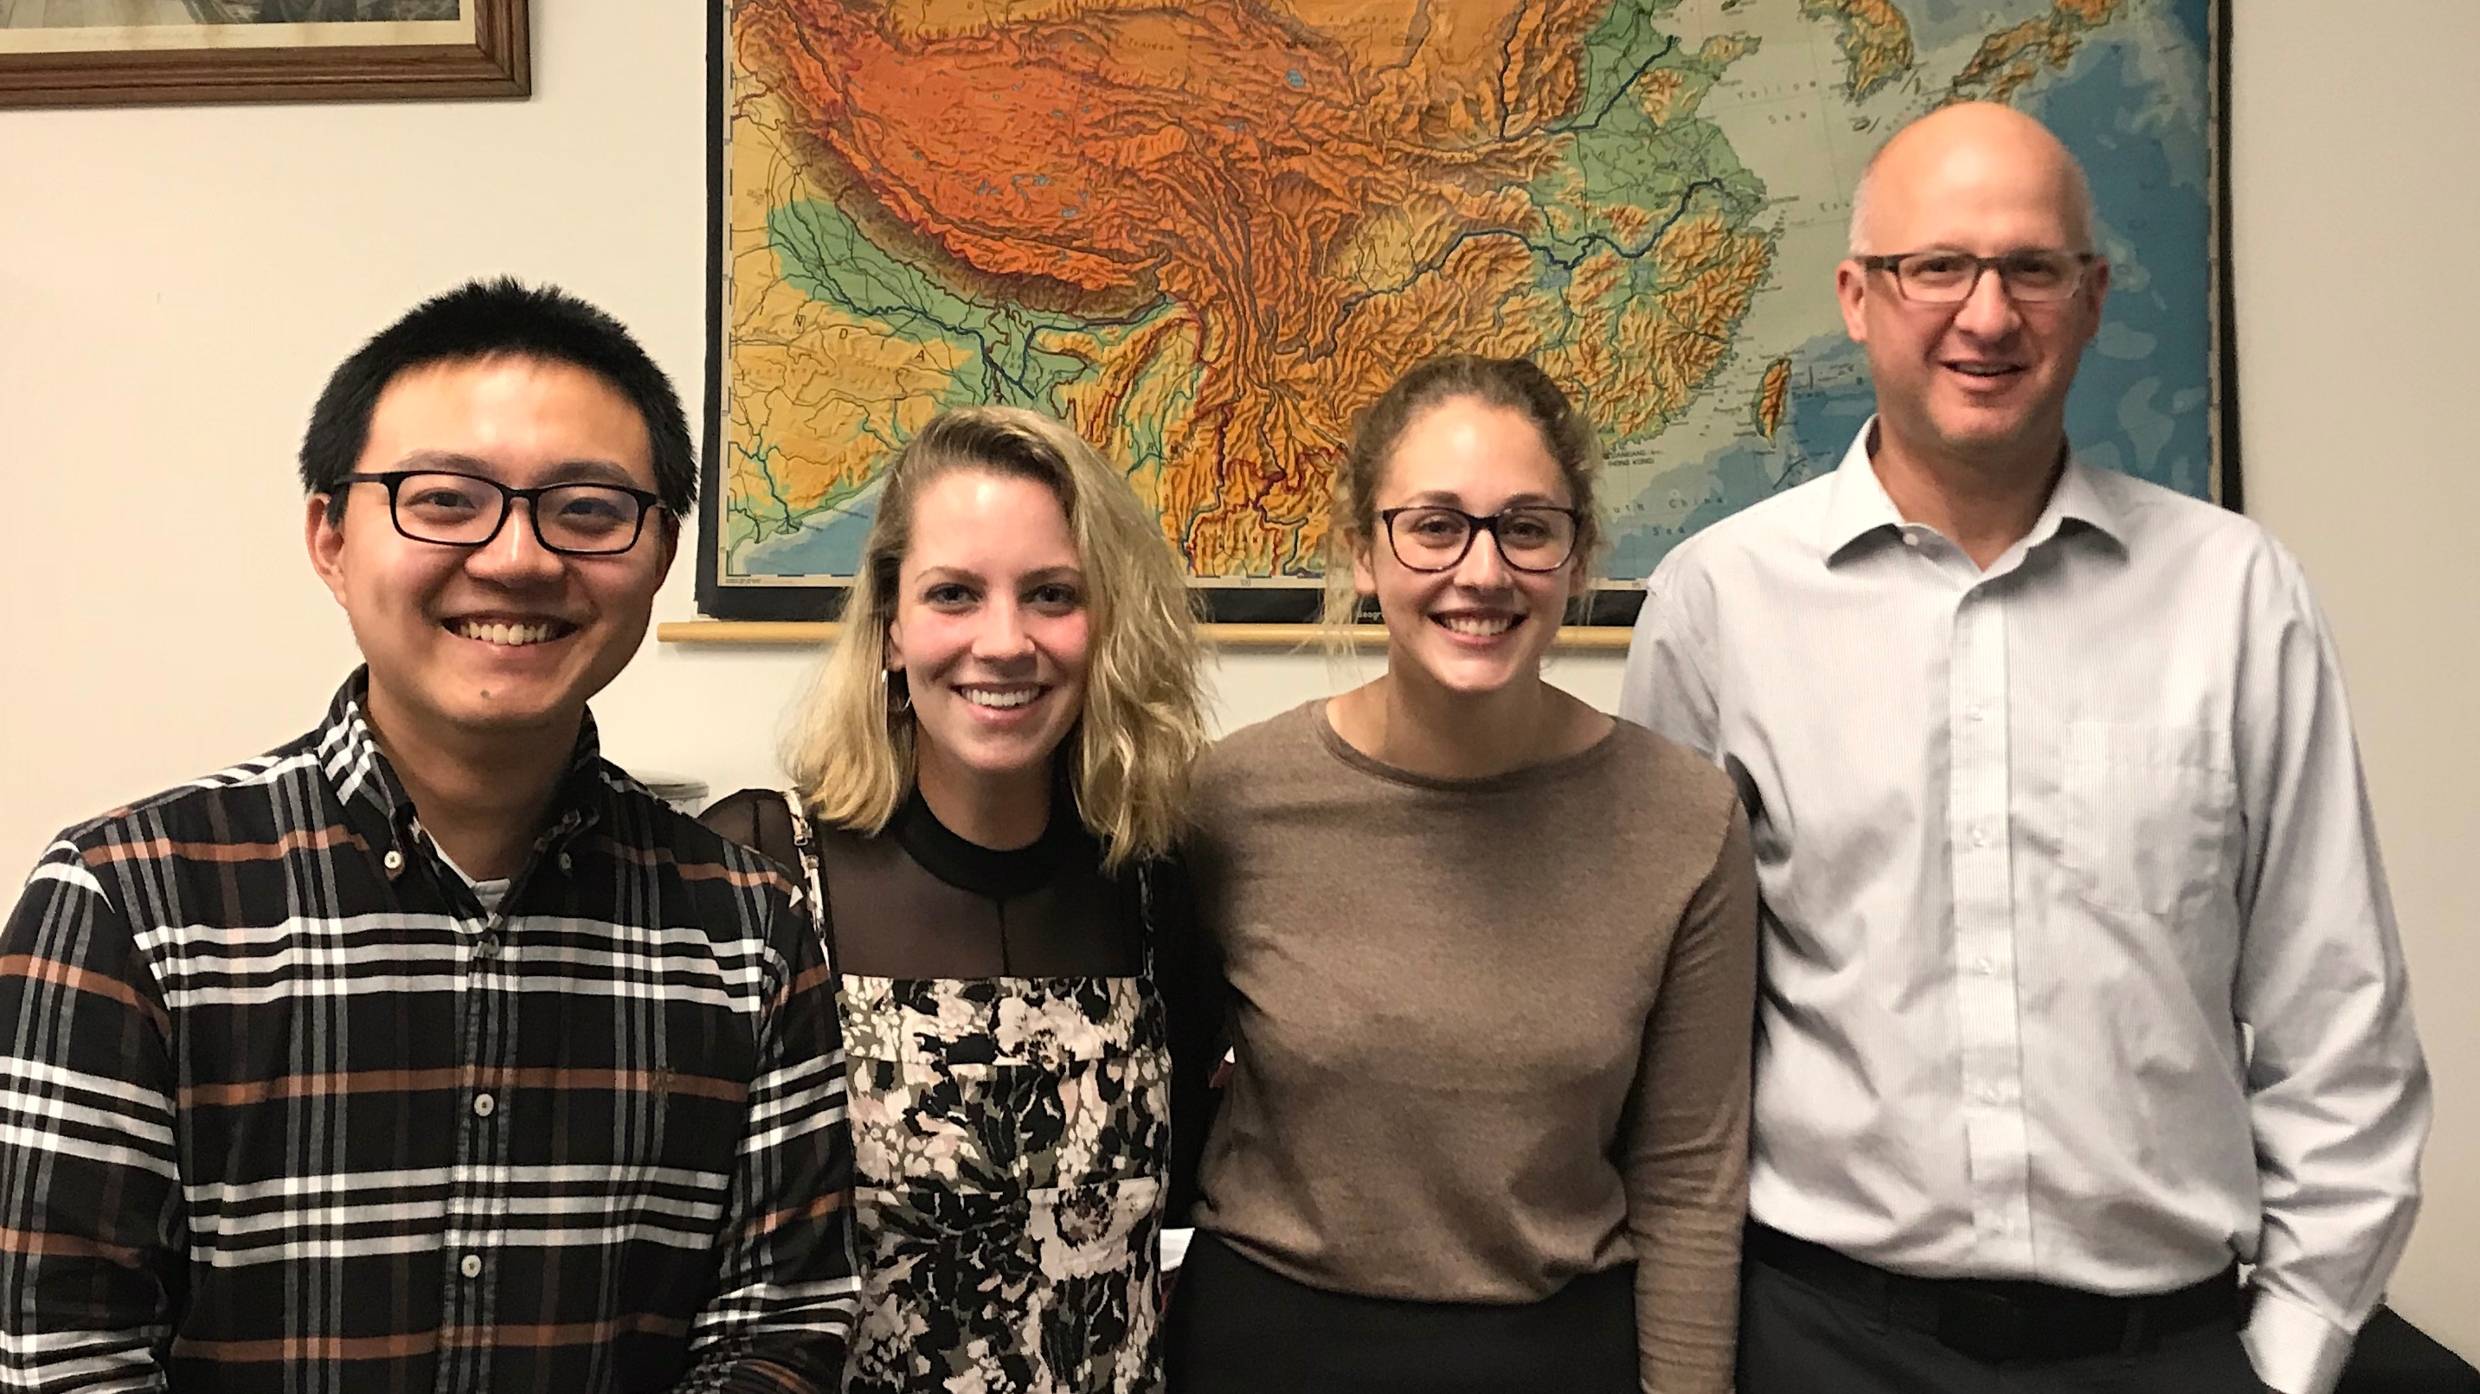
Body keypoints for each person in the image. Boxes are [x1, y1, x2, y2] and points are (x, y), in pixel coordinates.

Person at [1620, 102, 2430, 1394]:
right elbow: (1660, 1027)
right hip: (1823, 1345)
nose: (1986, 316)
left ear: (2094, 296)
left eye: (2031, 268)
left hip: (2166, 1351)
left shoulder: (2237, 595)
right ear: (1856, 294)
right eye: (1937, 265)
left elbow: (2342, 1024)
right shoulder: (1720, 602)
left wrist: (2289, 1361)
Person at [0, 279, 858, 1392]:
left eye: (588, 508)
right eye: (445, 499)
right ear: (330, 535)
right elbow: (58, 1348)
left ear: (657, 550)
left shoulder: (746, 928)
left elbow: (778, 1327)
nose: (516, 557)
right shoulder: (126, 906)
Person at [1164, 355, 1759, 1393]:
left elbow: (1687, 1184)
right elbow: (1149, 1101)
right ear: (1362, 551)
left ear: (1576, 560)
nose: (1480, 571)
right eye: (1433, 524)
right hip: (1269, 1348)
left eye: (1525, 526)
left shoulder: (1683, 819)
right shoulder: (1229, 801)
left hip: (1556, 1352)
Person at [700, 405, 1213, 1393]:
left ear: (1100, 620)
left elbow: (1183, 1178)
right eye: (954, 593)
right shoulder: (763, 867)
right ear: (891, 625)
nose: (1004, 639)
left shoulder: (1153, 886)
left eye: (1050, 594)